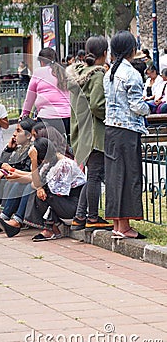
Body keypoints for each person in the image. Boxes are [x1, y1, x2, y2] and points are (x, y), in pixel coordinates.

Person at [103, 30, 149, 239]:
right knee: (130, 176)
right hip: (128, 130)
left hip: (111, 129)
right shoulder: (132, 74)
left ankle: (116, 225)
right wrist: (149, 107)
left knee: (114, 177)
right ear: (132, 50)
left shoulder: (109, 73)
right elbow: (137, 106)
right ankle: (126, 226)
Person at [66, 36, 113, 231]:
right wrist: (109, 114)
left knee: (90, 176)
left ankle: (79, 216)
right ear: (104, 53)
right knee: (95, 176)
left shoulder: (78, 73)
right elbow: (97, 105)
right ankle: (92, 217)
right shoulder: (97, 75)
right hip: (94, 133)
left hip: (80, 132)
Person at [23, 137, 86, 241]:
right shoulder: (49, 164)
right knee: (39, 191)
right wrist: (33, 162)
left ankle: (50, 230)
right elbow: (35, 184)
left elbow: (58, 192)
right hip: (63, 205)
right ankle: (51, 229)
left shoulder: (65, 164)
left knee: (45, 193)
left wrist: (41, 188)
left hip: (75, 209)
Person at [21, 47, 71, 137]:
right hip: (67, 118)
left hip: (47, 118)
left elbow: (30, 98)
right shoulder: (64, 72)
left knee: (45, 147)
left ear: (42, 61)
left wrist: (24, 115)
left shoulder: (39, 72)